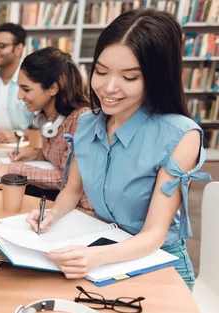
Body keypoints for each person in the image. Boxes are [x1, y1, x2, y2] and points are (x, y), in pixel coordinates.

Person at [24, 9, 211, 290]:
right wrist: (52, 214)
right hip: (100, 250)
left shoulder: (181, 135)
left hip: (156, 264)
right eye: (101, 72)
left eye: (130, 77)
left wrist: (95, 256)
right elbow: (72, 191)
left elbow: (154, 235)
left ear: (156, 78)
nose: (108, 88)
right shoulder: (87, 123)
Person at [0, 47, 93, 211]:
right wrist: (36, 153)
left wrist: (11, 169)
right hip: (57, 203)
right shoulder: (49, 116)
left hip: (80, 210)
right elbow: (60, 156)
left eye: (26, 89)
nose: (19, 96)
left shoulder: (81, 119)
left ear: (53, 88)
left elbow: (65, 179)